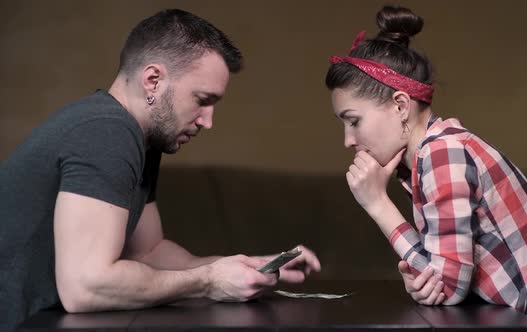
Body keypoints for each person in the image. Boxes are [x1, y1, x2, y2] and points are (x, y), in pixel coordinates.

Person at [0, 9, 321, 331]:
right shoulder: (107, 131)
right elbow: (86, 287)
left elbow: (148, 252)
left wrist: (246, 267)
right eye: (202, 99)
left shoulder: (141, 141)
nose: (208, 121)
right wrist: (208, 281)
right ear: (153, 81)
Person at [324, 5, 527, 332]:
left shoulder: (443, 154)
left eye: (353, 121)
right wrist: (422, 278)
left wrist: (377, 203)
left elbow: (447, 287)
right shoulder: (432, 153)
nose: (348, 140)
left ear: (401, 105)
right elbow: (443, 279)